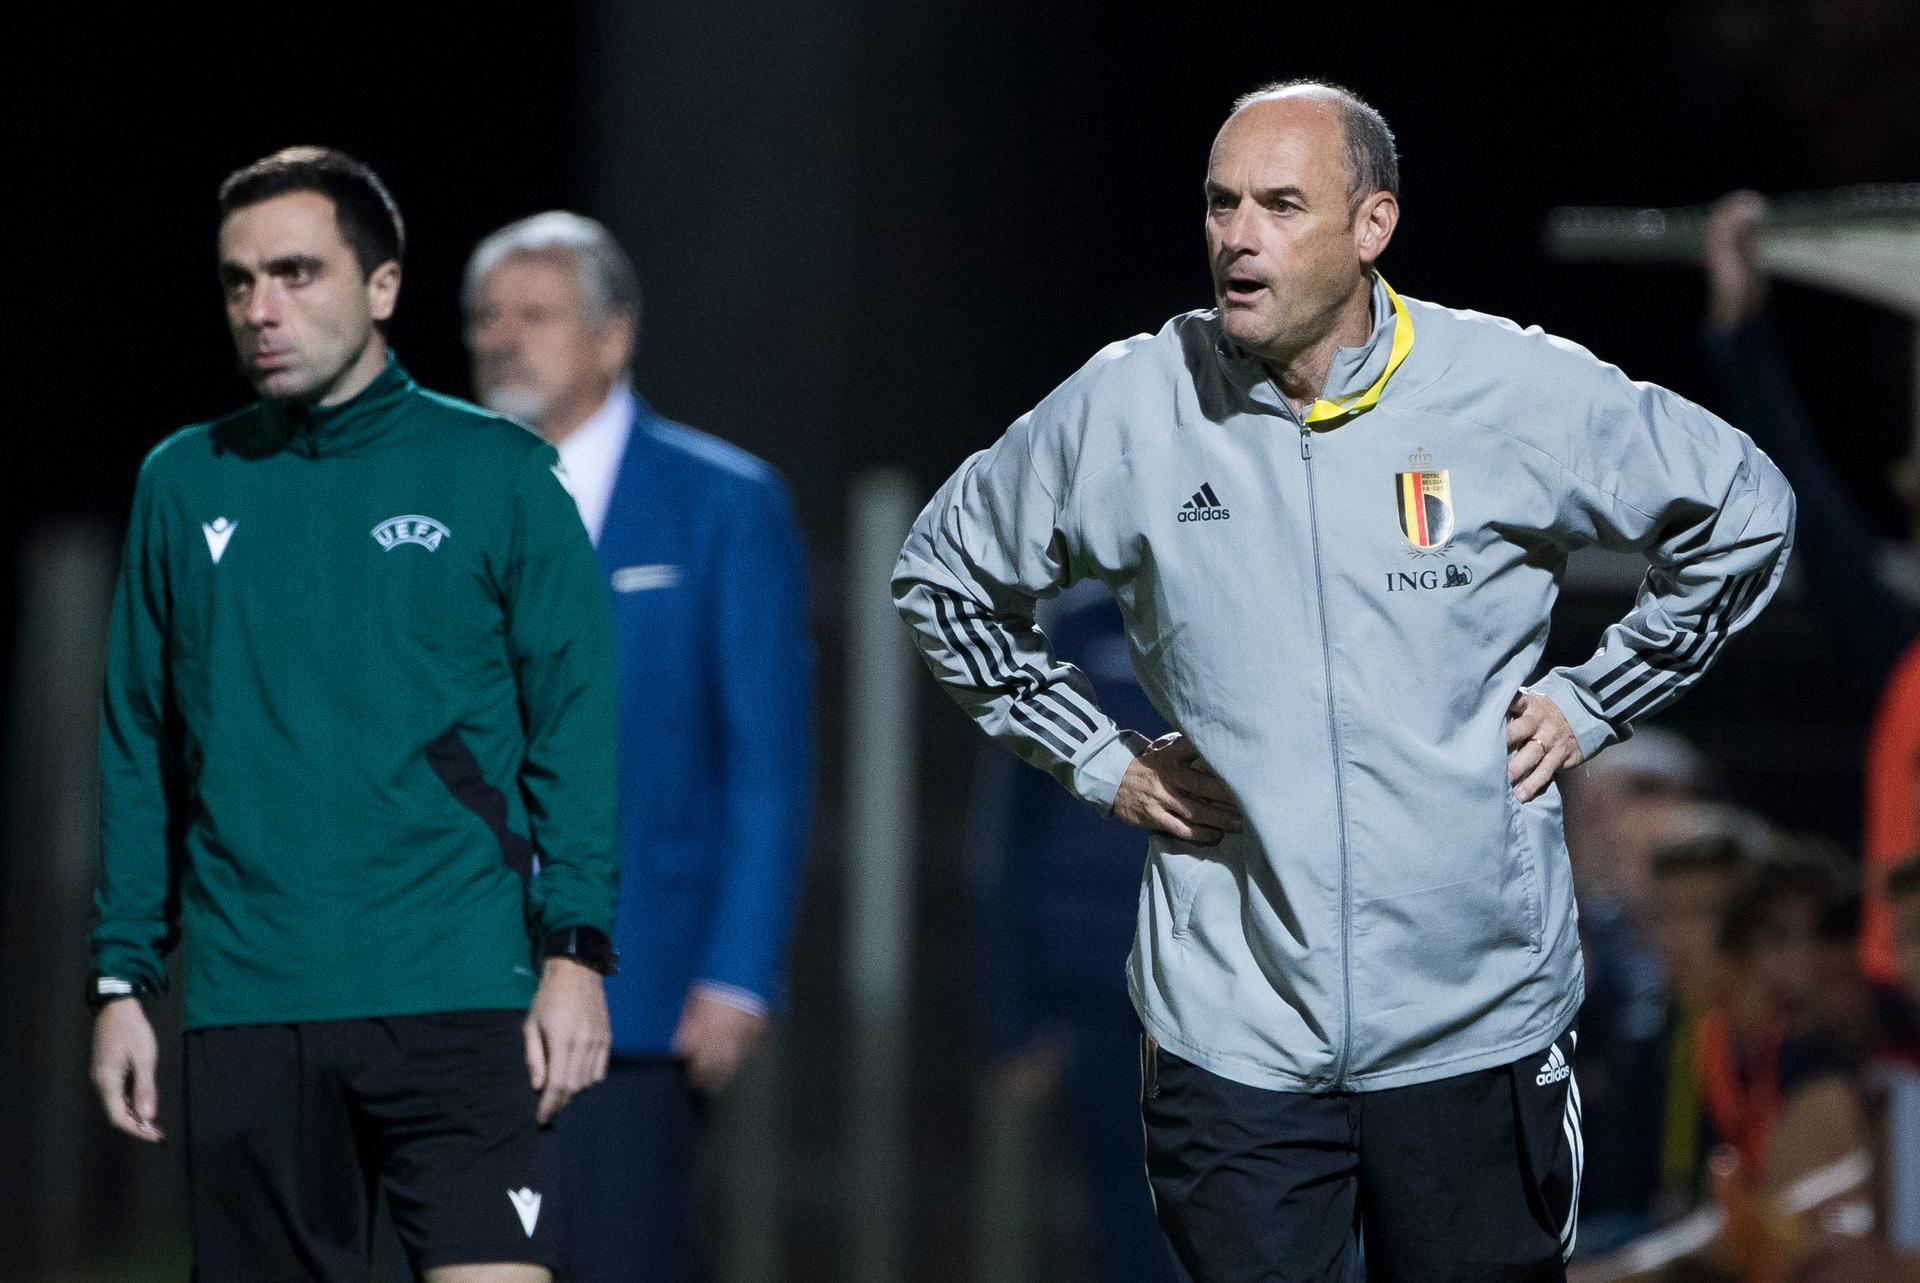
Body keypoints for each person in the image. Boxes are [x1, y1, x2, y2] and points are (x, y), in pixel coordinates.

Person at [893, 80, 1795, 1281]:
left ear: (1373, 227)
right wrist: (1102, 757)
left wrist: (1594, 698)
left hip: (1476, 1024)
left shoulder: (1506, 388)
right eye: (1221, 204)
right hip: (1236, 1037)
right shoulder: (1134, 399)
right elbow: (940, 574)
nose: (1237, 236)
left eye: (1278, 204)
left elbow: (1748, 512)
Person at [87, 147, 620, 1283]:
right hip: (250, 1003)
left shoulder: (503, 473)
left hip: (463, 995)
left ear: (381, 286)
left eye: (294, 272)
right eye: (238, 282)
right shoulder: (184, 483)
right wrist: (122, 979)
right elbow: (138, 740)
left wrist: (576, 950)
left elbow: (575, 723)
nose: (260, 309)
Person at [464, 212, 812, 1283]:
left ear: (614, 336)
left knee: (618, 1248)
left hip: (644, 989)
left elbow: (768, 757)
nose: (501, 338)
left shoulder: (722, 501)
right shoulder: (444, 496)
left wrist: (739, 971)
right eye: (484, 317)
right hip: (455, 977)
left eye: (535, 314)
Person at [969, 582, 1180, 1283]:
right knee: (1121, 1219)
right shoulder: (1074, 634)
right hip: (1099, 989)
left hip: (1228, 990)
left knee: (1242, 1212)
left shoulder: (1260, 608)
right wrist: (1015, 1019)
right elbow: (1013, 835)